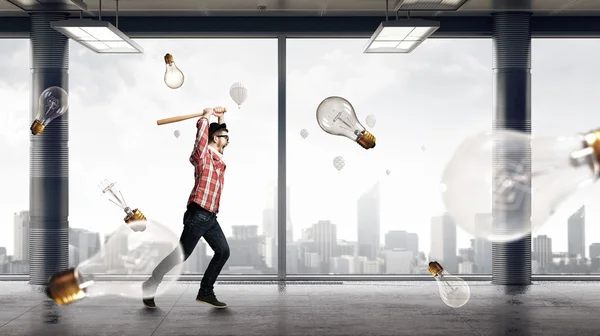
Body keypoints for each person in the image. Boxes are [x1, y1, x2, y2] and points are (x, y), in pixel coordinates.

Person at [142, 106, 231, 309]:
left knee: (223, 251)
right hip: (198, 214)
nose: (228, 140)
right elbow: (202, 137)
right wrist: (206, 116)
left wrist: (221, 117)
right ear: (215, 138)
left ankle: (205, 292)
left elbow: (219, 133)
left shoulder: (217, 160)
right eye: (224, 136)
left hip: (210, 217)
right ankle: (150, 285)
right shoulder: (203, 157)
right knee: (180, 256)